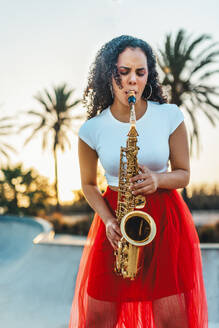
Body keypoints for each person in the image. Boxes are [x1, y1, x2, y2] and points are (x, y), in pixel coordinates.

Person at [68, 35, 208, 328]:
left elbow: (183, 173)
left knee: (173, 319)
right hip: (115, 220)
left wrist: (157, 179)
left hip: (164, 221)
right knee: (97, 319)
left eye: (140, 72)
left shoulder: (169, 115)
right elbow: (89, 185)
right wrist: (107, 221)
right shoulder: (91, 130)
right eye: (124, 72)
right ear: (110, 73)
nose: (133, 80)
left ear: (149, 75)